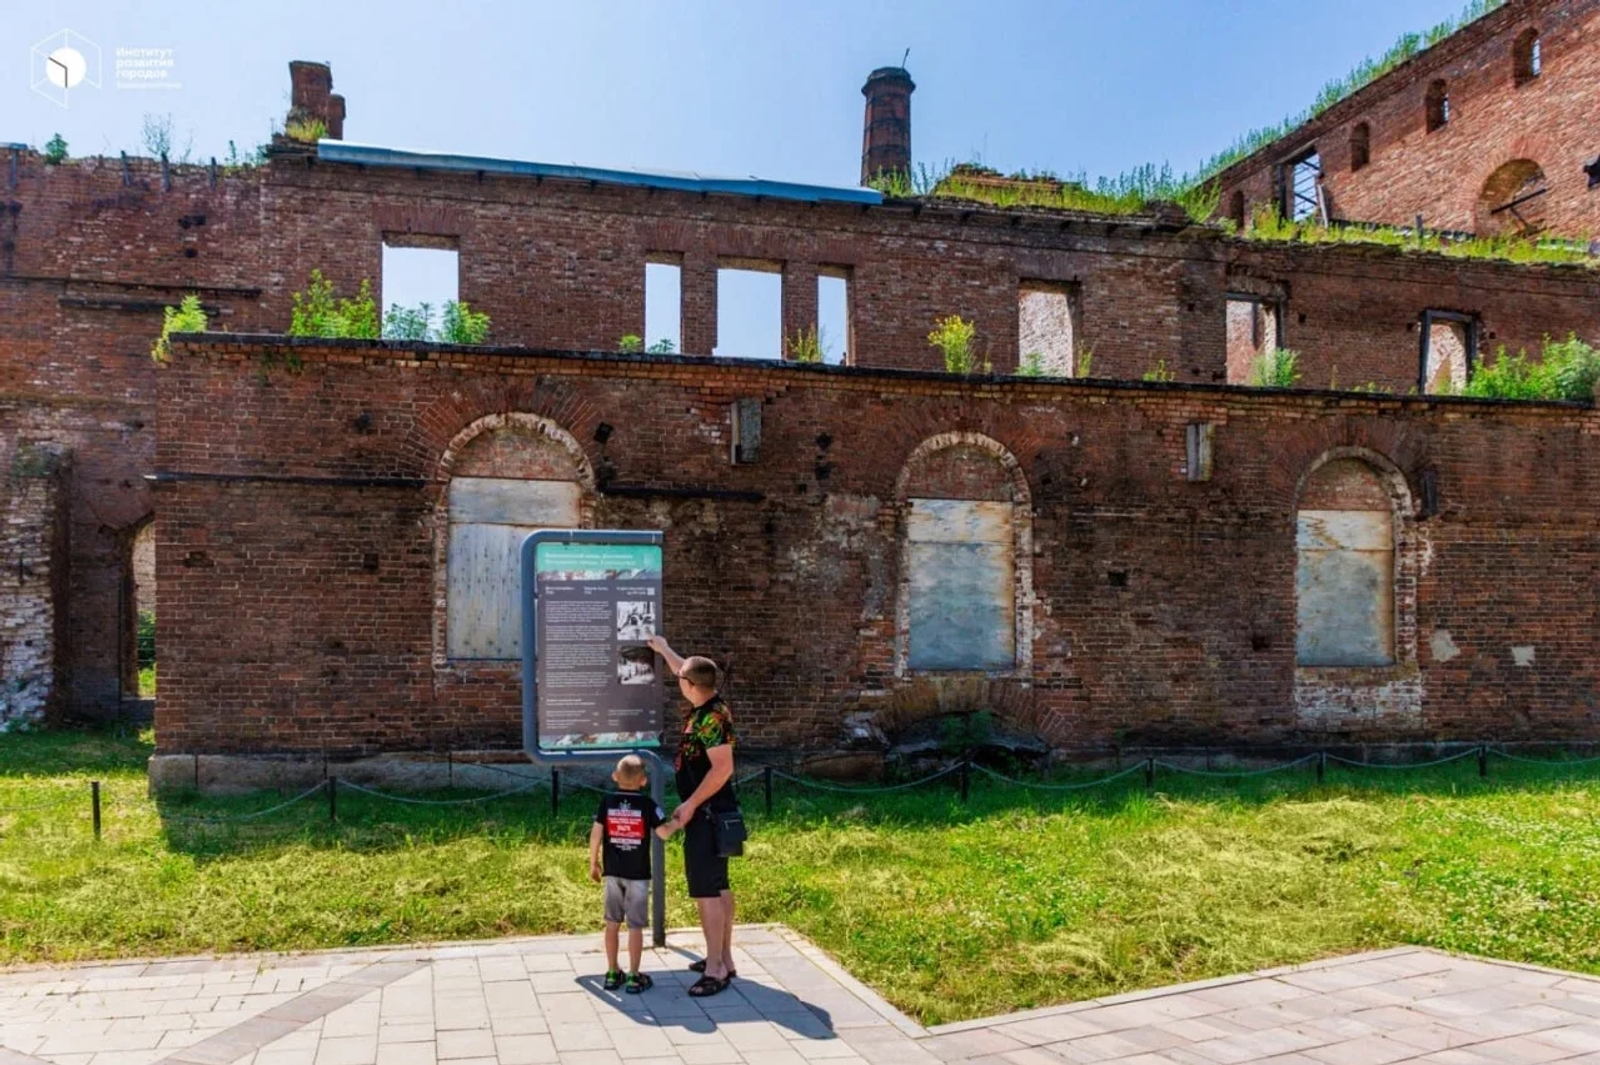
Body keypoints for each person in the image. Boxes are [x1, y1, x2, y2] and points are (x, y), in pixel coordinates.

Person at [646, 634, 739, 998]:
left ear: (691, 686)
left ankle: (716, 968)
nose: (678, 680)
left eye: (681, 678)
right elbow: (687, 669)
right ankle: (724, 957)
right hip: (714, 811)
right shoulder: (709, 702)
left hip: (709, 814)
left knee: (707, 893)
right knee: (719, 886)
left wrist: (690, 806)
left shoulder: (711, 719)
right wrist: (665, 649)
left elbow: (722, 769)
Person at [588, 753, 675, 993]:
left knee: (612, 923)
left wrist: (593, 863)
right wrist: (678, 822)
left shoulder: (607, 802)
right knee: (635, 926)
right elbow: (664, 833)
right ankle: (634, 976)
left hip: (612, 873)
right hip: (638, 874)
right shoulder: (648, 805)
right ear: (643, 781)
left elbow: (596, 834)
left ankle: (612, 971)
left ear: (615, 776)